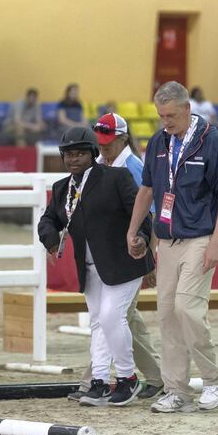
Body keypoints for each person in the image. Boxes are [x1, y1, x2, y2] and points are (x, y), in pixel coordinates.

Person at [126, 81, 218, 413]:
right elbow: (146, 190)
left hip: (200, 237)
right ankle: (176, 388)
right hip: (167, 240)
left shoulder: (214, 143)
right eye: (161, 116)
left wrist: (216, 243)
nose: (166, 123)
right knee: (167, 314)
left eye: (171, 115)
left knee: (188, 308)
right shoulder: (158, 142)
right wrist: (133, 231)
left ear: (188, 109)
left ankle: (214, 379)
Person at [38, 127, 153, 407]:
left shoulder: (116, 177)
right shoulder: (63, 188)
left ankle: (128, 378)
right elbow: (48, 220)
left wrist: (141, 238)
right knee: (98, 322)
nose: (73, 159)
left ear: (92, 153)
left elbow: (140, 214)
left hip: (124, 262)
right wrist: (51, 240)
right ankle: (100, 381)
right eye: (68, 154)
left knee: (112, 317)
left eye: (79, 153)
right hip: (90, 268)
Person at [65, 112, 165, 401]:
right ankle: (151, 376)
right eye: (101, 142)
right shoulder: (100, 165)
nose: (104, 147)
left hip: (126, 259)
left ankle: (95, 381)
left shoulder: (134, 168)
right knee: (121, 319)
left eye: (109, 142)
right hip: (108, 258)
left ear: (124, 139)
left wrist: (149, 255)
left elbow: (151, 213)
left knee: (113, 318)